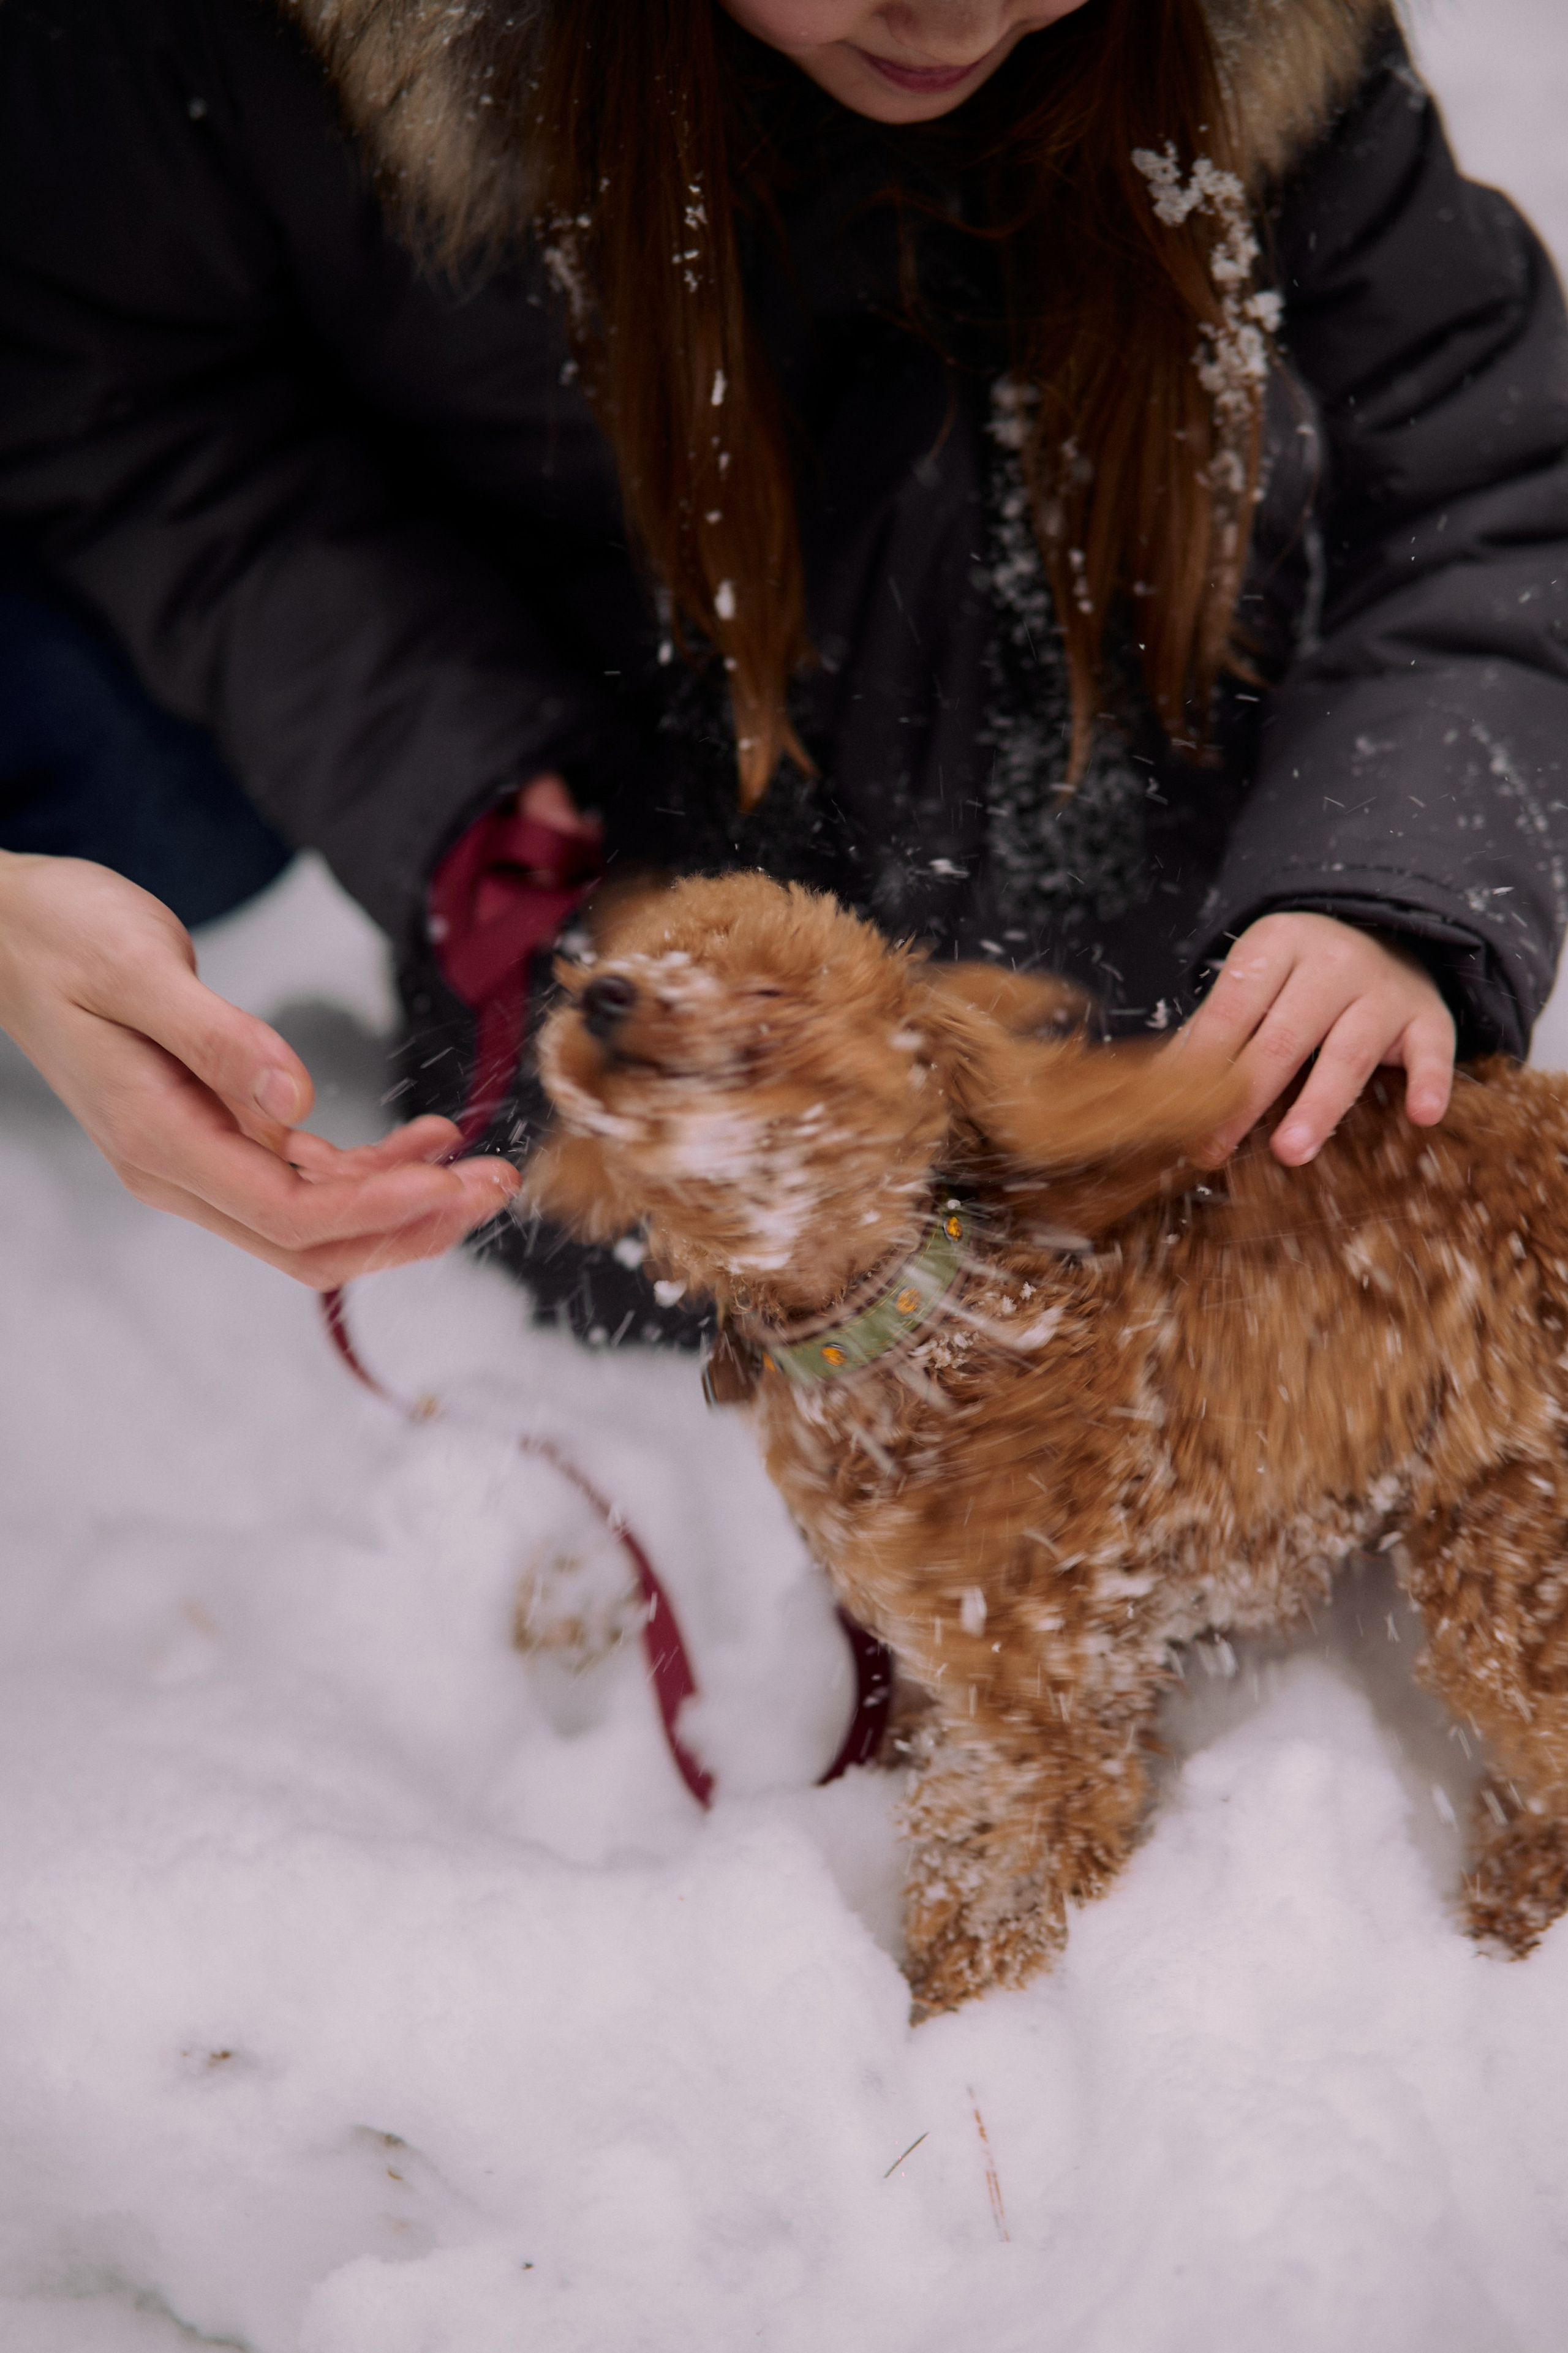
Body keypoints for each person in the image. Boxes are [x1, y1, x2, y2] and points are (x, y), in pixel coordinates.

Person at [0, 0, 1564, 1339]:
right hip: (623, 770)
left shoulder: (1256, 52)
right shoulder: (235, 69)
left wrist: (1383, 881)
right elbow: (145, 403)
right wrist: (459, 786)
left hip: (1119, 790)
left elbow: (1491, 471)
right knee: (629, 1271)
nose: (956, 23)